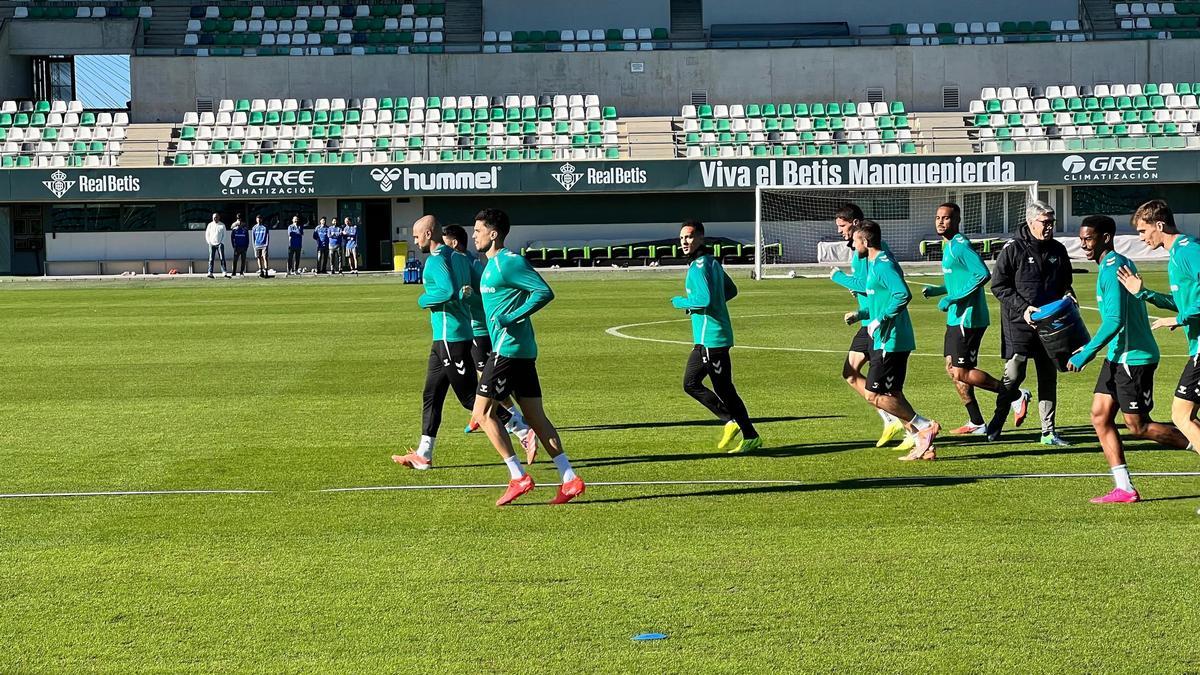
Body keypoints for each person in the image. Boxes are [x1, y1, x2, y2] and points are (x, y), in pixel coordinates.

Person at [1067, 215, 1189, 503]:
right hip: (1117, 356)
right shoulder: (1109, 265)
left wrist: (1086, 351)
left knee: (1138, 426)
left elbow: (1113, 320)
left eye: (1089, 238)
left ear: (1105, 238)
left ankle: (1195, 440)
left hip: (1134, 357)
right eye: (1082, 238)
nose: (1084, 244)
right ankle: (1124, 487)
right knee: (1099, 416)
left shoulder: (1112, 267)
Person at [469, 208, 584, 506]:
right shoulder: (490, 266)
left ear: (494, 234)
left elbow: (544, 292)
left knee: (482, 414)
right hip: (518, 351)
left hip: (508, 350)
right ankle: (570, 478)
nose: (474, 235)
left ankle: (518, 477)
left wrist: (513, 317)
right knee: (534, 416)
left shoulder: (509, 263)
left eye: (478, 230)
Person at [391, 216, 485, 471]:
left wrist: (422, 300)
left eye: (416, 234)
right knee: (431, 394)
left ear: (429, 233)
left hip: (449, 336)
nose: (414, 239)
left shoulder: (436, 261)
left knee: (469, 399)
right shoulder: (459, 257)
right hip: (450, 335)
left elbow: (446, 291)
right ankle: (424, 453)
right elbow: (475, 289)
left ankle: (520, 428)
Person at [841, 220, 940, 460]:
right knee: (893, 393)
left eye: (855, 241)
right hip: (883, 339)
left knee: (875, 395)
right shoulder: (873, 264)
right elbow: (881, 300)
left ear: (865, 241)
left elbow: (903, 294)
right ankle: (925, 446)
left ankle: (924, 425)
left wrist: (881, 319)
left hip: (891, 340)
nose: (853, 245)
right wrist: (863, 315)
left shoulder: (884, 264)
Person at [443, 223, 537, 459]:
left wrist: (467, 299)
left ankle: (518, 424)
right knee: (488, 380)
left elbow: (486, 301)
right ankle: (508, 418)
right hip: (477, 331)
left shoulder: (474, 265)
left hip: (481, 330)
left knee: (489, 381)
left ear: (453, 242)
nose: (475, 235)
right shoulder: (466, 262)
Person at [1116, 199, 1200, 456]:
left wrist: (1179, 319)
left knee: (1181, 415)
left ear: (1159, 225)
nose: (1141, 238)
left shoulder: (1188, 250)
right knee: (1188, 418)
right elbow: (1182, 303)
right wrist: (1145, 294)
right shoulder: (1177, 253)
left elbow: (1187, 310)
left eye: (1143, 231)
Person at [671, 220, 761, 454]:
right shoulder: (711, 262)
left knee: (725, 390)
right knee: (690, 383)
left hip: (713, 339)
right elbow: (731, 290)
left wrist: (682, 302)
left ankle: (749, 434)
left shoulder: (699, 267)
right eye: (681, 238)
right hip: (704, 340)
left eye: (689, 237)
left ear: (700, 237)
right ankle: (731, 421)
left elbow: (704, 301)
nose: (684, 242)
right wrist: (715, 306)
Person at [987, 200, 1074, 444]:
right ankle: (996, 424)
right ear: (1030, 222)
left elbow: (1066, 282)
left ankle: (1048, 432)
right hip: (1019, 324)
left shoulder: (1058, 249)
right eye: (1045, 223)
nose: (1049, 227)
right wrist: (1024, 309)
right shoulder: (1013, 249)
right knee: (1013, 377)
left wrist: (1069, 293)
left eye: (1052, 222)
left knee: (1048, 376)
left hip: (1050, 325)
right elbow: (999, 286)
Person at [829, 203, 914, 452]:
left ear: (855, 225)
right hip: (868, 319)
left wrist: (838, 277)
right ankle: (892, 420)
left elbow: (867, 284)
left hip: (877, 323)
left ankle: (913, 427)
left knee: (887, 390)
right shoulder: (860, 249)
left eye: (842, 226)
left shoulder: (871, 253)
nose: (839, 231)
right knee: (850, 373)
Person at [921, 203, 1008, 436]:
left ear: (956, 221)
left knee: (961, 371)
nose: (940, 222)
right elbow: (959, 280)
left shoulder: (960, 245)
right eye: (938, 217)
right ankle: (977, 422)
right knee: (952, 369)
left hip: (968, 318)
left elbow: (982, 274)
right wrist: (939, 290)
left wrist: (952, 297)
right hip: (956, 317)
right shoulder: (947, 245)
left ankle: (1015, 395)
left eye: (946, 218)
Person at [204, 212, 230, 279]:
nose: (215, 218)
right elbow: (207, 234)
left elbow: (224, 235)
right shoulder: (210, 225)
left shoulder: (222, 225)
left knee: (222, 258)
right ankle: (210, 272)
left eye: (216, 217)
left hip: (220, 244)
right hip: (211, 244)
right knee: (211, 259)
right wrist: (209, 242)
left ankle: (224, 272)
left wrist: (221, 243)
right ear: (212, 218)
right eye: (214, 217)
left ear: (219, 217)